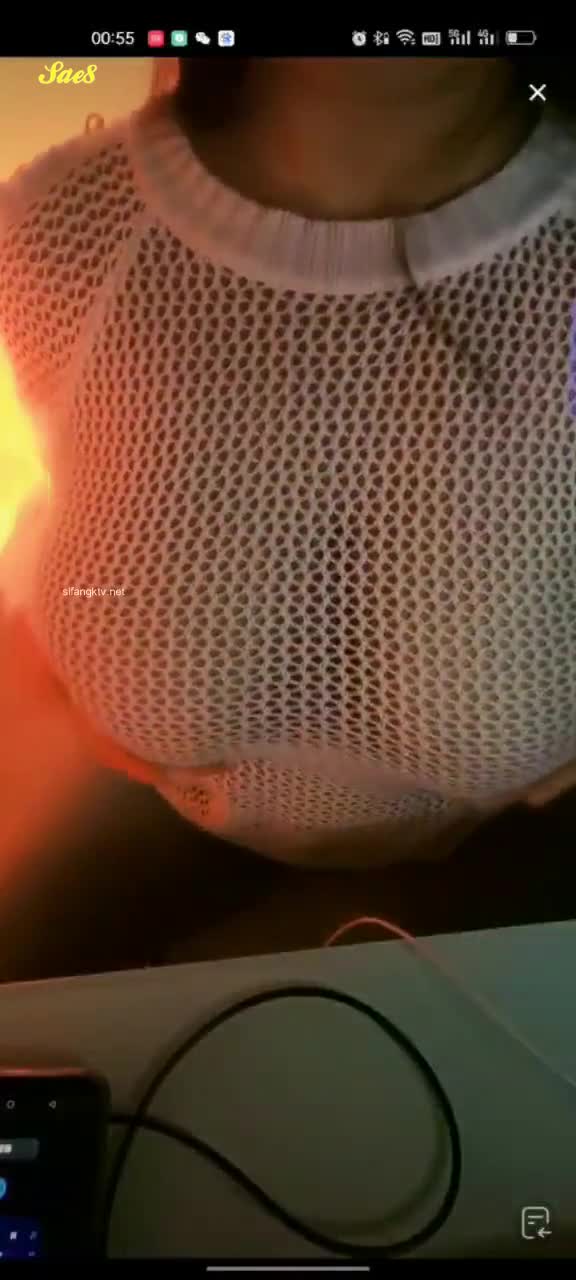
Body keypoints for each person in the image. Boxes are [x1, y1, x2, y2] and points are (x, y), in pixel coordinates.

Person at [1, 54, 576, 873]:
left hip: (512, 877)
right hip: (153, 849)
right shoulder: (54, 228)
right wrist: (65, 648)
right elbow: (59, 495)